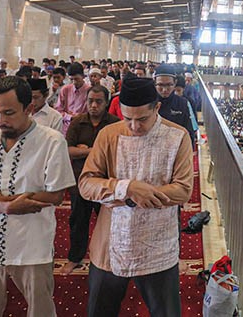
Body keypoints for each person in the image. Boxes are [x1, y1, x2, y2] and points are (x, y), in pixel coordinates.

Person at [0, 76, 75, 317]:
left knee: (40, 307)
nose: (1, 120)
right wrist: (6, 206)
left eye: (9, 113)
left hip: (32, 239)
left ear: (29, 108)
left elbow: (54, 195)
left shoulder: (51, 140)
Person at [78, 75, 193, 317]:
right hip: (110, 244)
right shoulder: (109, 134)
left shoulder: (178, 136)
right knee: (100, 310)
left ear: (157, 108)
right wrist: (127, 189)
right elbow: (86, 184)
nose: (134, 126)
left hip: (158, 245)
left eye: (142, 119)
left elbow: (183, 190)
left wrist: (142, 194)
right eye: (127, 118)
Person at [60, 84, 119, 275]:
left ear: (106, 102)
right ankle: (75, 257)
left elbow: (118, 153)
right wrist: (93, 151)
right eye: (90, 101)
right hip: (81, 181)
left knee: (109, 222)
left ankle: (111, 257)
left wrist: (83, 151)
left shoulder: (114, 124)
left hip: (106, 181)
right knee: (78, 221)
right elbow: (68, 150)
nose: (94, 105)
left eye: (98, 102)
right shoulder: (78, 122)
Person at [154, 64, 197, 146]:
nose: (164, 89)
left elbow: (189, 134)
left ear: (175, 83)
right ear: (154, 82)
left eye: (169, 85)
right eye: (160, 85)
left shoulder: (182, 103)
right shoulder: (149, 103)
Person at [55, 63, 89, 135]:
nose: (74, 82)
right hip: (65, 127)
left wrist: (79, 116)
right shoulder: (65, 89)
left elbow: (89, 113)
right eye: (71, 79)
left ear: (83, 76)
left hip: (82, 127)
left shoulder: (89, 91)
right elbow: (58, 110)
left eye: (76, 79)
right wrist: (69, 117)